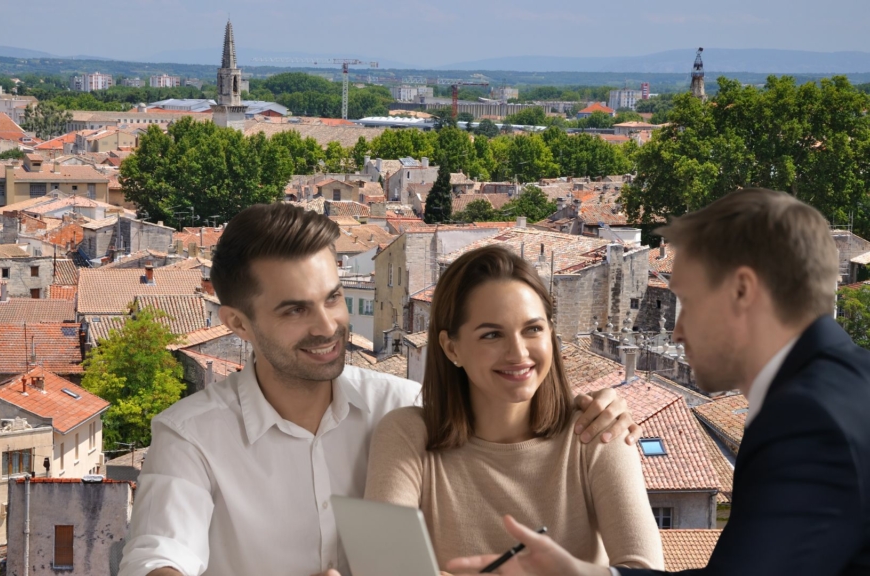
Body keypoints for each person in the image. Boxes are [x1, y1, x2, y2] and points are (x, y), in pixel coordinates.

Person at [118, 203, 641, 576]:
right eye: (295, 310)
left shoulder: (404, 407)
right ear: (237, 323)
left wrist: (604, 406)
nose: (327, 326)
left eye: (333, 298)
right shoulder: (192, 435)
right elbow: (159, 554)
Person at [447, 188, 870, 576]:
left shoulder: (808, 419)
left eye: (687, 302)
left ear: (742, 291)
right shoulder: (843, 388)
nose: (677, 332)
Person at [364, 245, 663, 570]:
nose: (518, 353)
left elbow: (643, 571)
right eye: (492, 335)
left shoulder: (596, 433)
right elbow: (386, 569)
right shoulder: (407, 435)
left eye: (533, 329)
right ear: (451, 348)